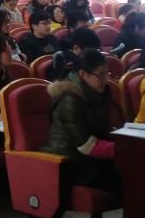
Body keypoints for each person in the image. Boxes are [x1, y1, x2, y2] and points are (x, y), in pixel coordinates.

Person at [44, 49, 121, 194]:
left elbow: (99, 128)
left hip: (90, 159)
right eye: (101, 75)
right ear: (83, 74)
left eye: (107, 74)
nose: (106, 80)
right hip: (72, 162)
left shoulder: (93, 93)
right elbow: (86, 146)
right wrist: (123, 149)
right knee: (127, 176)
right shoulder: (69, 98)